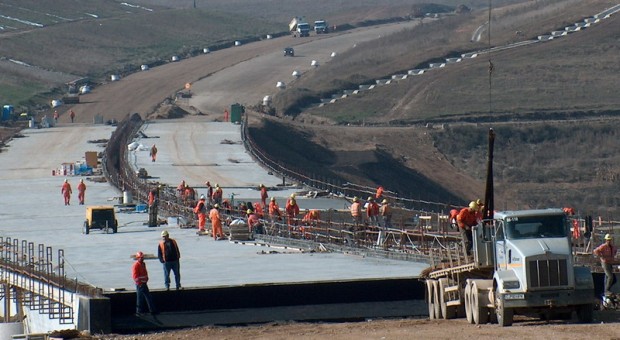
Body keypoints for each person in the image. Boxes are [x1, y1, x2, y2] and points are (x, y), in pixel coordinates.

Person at [132, 251, 157, 316]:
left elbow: (145, 272)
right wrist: (139, 283)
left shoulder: (143, 264)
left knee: (148, 297)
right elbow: (135, 276)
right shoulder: (136, 265)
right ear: (137, 258)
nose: (142, 258)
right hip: (140, 284)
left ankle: (152, 310)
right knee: (139, 298)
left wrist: (146, 279)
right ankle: (139, 312)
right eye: (140, 257)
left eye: (142, 257)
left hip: (144, 283)